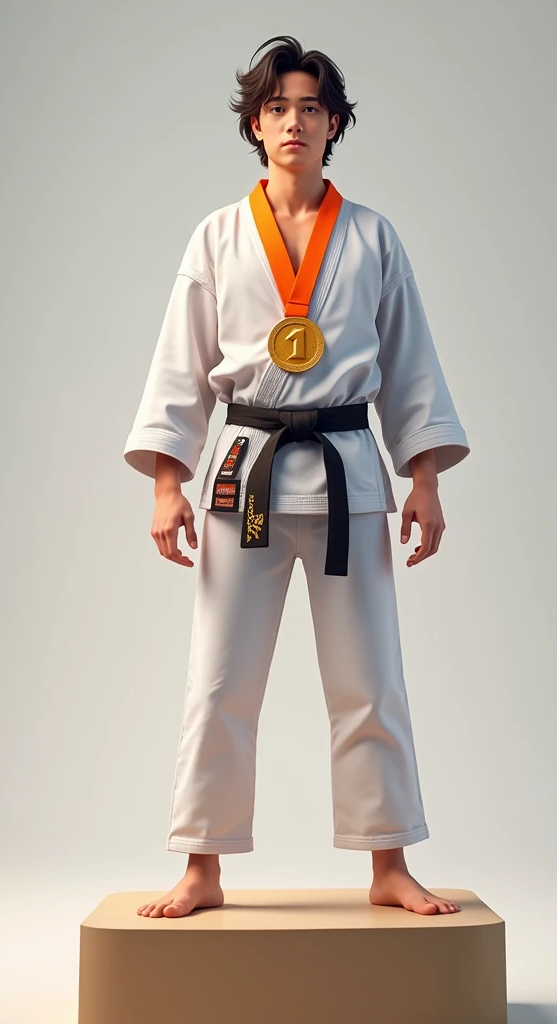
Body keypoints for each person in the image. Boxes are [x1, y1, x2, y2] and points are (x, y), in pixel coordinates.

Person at [125, 35, 470, 919]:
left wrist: (423, 475)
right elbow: (180, 366)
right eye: (276, 107)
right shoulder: (217, 235)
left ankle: (387, 864)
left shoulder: (372, 237)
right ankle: (201, 866)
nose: (293, 122)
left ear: (335, 124)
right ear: (255, 123)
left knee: (370, 679)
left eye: (310, 107)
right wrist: (169, 483)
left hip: (351, 474)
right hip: (244, 472)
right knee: (218, 679)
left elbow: (411, 365)